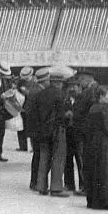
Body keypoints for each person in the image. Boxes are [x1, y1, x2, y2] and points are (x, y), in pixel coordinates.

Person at [31, 65, 71, 197]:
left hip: (42, 131)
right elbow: (61, 115)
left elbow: (35, 114)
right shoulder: (59, 95)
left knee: (43, 158)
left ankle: (41, 186)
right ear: (58, 83)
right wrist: (68, 116)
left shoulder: (40, 94)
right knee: (58, 158)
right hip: (57, 130)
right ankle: (56, 188)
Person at [25, 67, 48, 190]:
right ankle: (35, 181)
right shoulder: (37, 92)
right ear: (45, 80)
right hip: (37, 129)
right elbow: (31, 111)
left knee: (37, 155)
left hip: (34, 129)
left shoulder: (34, 90)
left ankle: (35, 181)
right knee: (38, 155)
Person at [64, 76, 85, 196]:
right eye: (70, 86)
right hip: (68, 132)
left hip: (79, 133)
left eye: (74, 86)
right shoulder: (66, 99)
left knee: (80, 159)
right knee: (68, 159)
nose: (72, 88)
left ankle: (83, 185)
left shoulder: (82, 99)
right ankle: (69, 184)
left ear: (79, 87)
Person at [16, 66, 34, 151]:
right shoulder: (20, 82)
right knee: (21, 127)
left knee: (32, 127)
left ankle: (33, 147)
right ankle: (22, 146)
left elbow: (35, 93)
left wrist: (27, 92)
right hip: (22, 107)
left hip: (32, 108)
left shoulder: (35, 82)